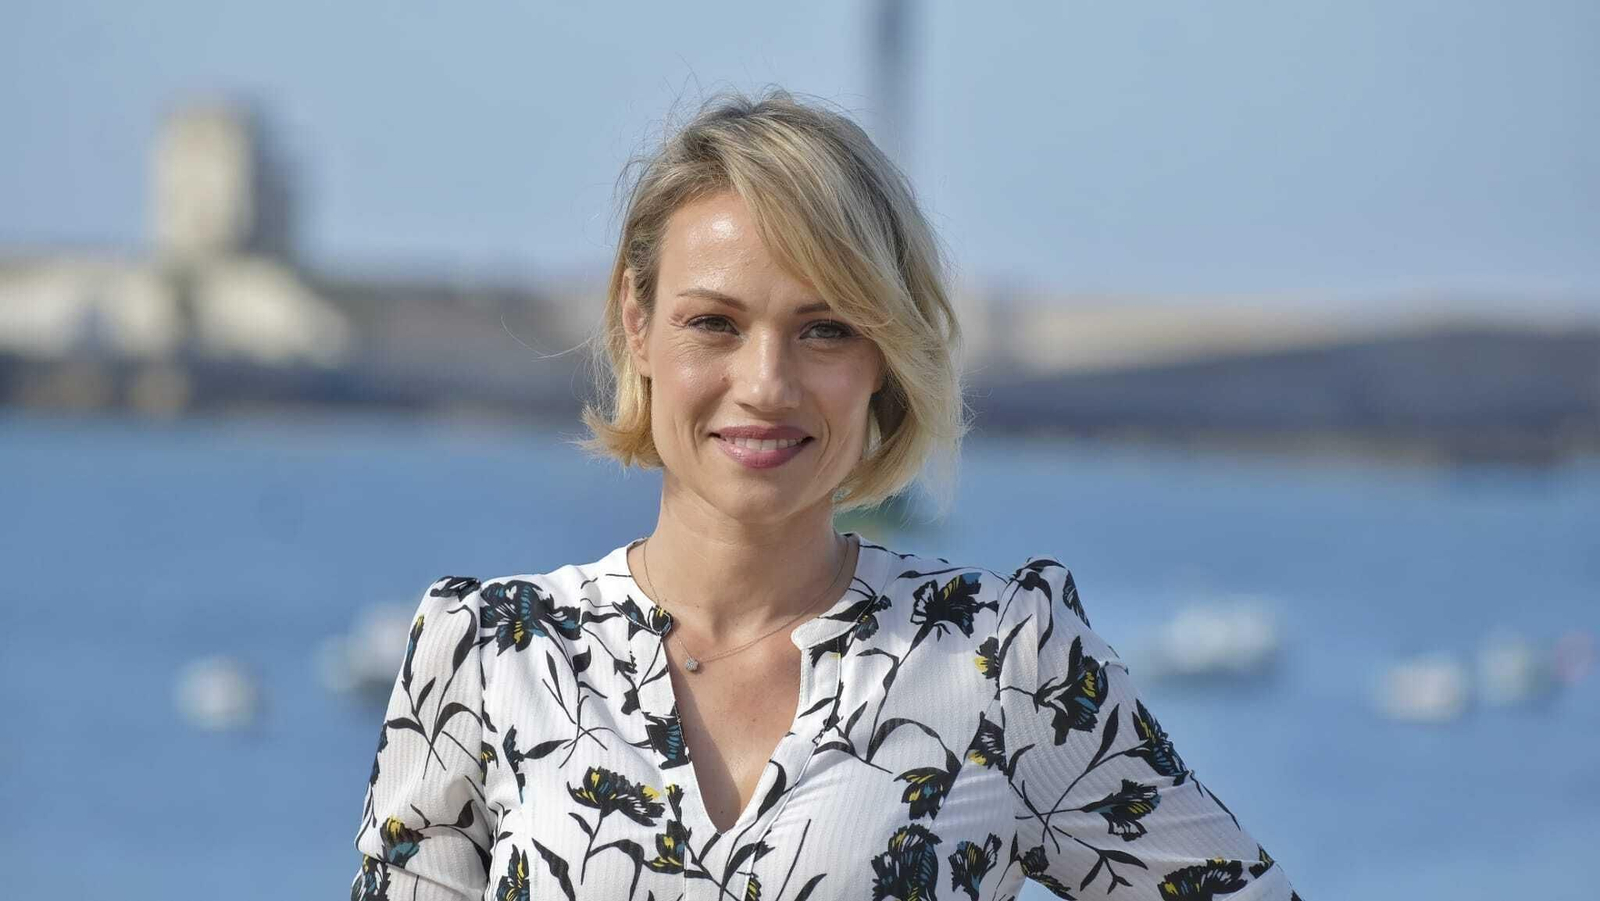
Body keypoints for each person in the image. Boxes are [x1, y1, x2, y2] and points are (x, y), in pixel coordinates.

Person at [350, 90, 1301, 901]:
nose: (766, 383)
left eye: (826, 330)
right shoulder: (487, 655)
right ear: (637, 327)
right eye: (714, 323)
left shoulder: (1001, 661)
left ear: (884, 355)